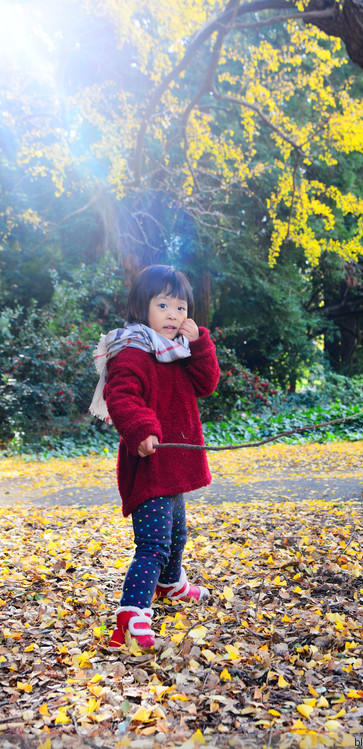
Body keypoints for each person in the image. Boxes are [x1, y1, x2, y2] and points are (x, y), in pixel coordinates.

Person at [90, 265, 220, 649]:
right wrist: (142, 426)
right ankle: (131, 614)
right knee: (153, 544)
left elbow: (206, 383)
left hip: (175, 463)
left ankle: (170, 583)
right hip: (149, 461)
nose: (173, 315)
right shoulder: (132, 350)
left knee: (177, 534)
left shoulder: (177, 350)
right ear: (140, 307)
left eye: (180, 307)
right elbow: (122, 395)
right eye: (162, 305)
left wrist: (199, 344)